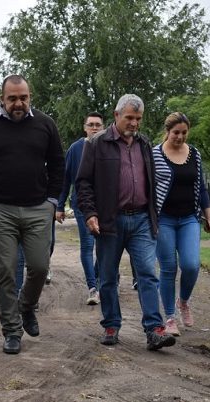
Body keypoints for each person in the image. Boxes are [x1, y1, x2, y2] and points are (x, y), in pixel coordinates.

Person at [0, 74, 64, 354]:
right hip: (0, 209)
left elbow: (58, 163)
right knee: (5, 270)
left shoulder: (45, 124)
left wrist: (52, 202)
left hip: (38, 208)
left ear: (30, 97)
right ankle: (11, 331)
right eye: (12, 99)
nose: (19, 103)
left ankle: (26, 306)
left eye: (24, 98)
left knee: (40, 267)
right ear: (2, 99)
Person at [76, 94, 176, 351]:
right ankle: (111, 324)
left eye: (138, 119)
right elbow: (84, 182)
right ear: (116, 115)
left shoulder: (144, 143)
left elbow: (152, 179)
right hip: (110, 221)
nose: (134, 123)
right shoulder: (97, 143)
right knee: (108, 276)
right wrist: (90, 213)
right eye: (129, 117)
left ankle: (154, 329)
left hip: (141, 218)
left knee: (146, 273)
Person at [153, 112, 210, 336]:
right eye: (175, 133)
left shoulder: (194, 154)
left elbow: (202, 187)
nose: (180, 137)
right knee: (168, 268)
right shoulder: (155, 155)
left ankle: (184, 302)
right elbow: (149, 188)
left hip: (189, 217)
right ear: (167, 132)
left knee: (191, 264)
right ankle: (169, 317)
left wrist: (208, 215)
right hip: (164, 219)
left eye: (184, 133)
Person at [56, 111, 105, 305]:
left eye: (97, 125)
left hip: (105, 204)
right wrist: (59, 206)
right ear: (84, 127)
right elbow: (66, 179)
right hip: (81, 203)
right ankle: (93, 287)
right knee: (87, 245)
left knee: (104, 246)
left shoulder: (108, 147)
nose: (94, 128)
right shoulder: (75, 149)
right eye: (91, 124)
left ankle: (102, 280)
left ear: (103, 127)